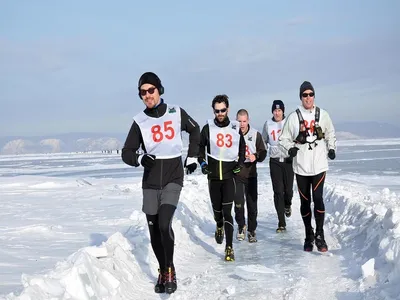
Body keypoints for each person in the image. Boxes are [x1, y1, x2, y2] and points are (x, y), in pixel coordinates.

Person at [121, 72, 200, 294]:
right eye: (143, 92)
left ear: (159, 90)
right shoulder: (139, 121)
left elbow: (195, 131)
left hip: (173, 175)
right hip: (150, 180)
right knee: (154, 230)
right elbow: (126, 152)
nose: (147, 95)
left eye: (151, 90)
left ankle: (170, 268)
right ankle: (162, 269)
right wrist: (139, 159)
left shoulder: (176, 112)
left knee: (165, 224)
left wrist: (192, 157)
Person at [278, 81, 336, 252]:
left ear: (314, 96)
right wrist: (291, 149)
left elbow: (330, 133)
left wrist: (331, 148)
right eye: (305, 95)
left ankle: (319, 234)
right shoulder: (293, 117)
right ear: (300, 97)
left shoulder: (323, 114)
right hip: (301, 166)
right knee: (305, 201)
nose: (308, 97)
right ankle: (308, 235)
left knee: (318, 198)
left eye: (311, 94)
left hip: (319, 164)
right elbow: (283, 139)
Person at [198, 94, 246, 261]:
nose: (220, 113)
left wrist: (240, 163)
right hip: (213, 177)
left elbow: (242, 146)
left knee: (227, 211)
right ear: (213, 111)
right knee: (217, 212)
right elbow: (199, 148)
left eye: (223, 110)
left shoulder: (234, 127)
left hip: (229, 176)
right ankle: (218, 225)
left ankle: (229, 247)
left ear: (228, 109)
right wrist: (202, 163)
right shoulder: (208, 128)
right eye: (217, 111)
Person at [234, 109, 267, 243]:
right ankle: (241, 226)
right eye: (239, 121)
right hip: (237, 174)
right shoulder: (232, 134)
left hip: (251, 175)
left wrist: (256, 156)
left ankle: (252, 230)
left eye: (244, 121)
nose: (242, 124)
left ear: (248, 121)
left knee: (252, 206)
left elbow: (263, 152)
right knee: (238, 204)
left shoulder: (255, 134)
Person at [262, 100, 295, 233]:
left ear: (283, 111)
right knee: (278, 192)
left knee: (288, 191)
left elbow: (296, 137)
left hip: (288, 160)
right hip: (274, 161)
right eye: (275, 110)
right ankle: (281, 222)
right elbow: (264, 140)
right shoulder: (267, 124)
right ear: (272, 112)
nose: (277, 113)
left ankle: (288, 205)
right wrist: (262, 152)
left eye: (279, 110)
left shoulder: (289, 122)